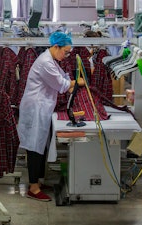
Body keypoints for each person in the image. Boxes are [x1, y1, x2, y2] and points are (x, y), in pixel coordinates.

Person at [17, 32, 85, 201]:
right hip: (35, 109)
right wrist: (79, 83)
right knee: (34, 147)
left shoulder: (51, 60)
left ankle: (38, 182)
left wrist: (72, 83)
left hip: (43, 108)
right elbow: (62, 84)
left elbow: (64, 78)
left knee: (42, 145)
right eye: (66, 51)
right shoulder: (45, 62)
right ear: (56, 47)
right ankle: (32, 188)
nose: (67, 55)